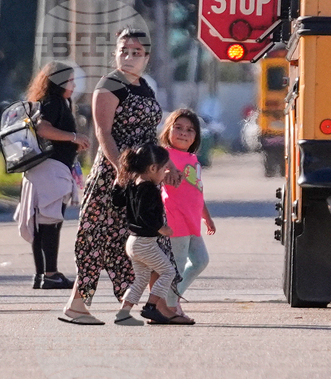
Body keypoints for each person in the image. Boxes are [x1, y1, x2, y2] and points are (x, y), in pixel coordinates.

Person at [59, 29, 165, 325]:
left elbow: (150, 133)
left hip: (144, 175)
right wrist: (122, 168)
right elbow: (102, 133)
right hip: (114, 176)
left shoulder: (145, 86)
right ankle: (77, 306)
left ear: (147, 57)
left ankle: (153, 305)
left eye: (136, 52)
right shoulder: (110, 84)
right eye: (123, 50)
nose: (128, 57)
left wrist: (160, 167)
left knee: (145, 238)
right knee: (98, 239)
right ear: (115, 53)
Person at [15, 61, 91, 289]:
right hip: (50, 171)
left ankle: (42, 275)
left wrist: (71, 141)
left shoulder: (50, 102)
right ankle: (50, 274)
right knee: (50, 223)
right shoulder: (54, 102)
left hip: (42, 170)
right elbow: (43, 129)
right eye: (70, 81)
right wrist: (73, 137)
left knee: (42, 224)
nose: (74, 85)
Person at [110, 143, 193, 325]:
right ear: (153, 168)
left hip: (133, 241)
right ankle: (151, 306)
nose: (165, 173)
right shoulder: (149, 189)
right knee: (168, 271)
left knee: (141, 280)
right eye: (164, 169)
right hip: (144, 243)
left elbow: (117, 201)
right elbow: (144, 214)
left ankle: (123, 313)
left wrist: (117, 183)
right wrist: (160, 227)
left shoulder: (133, 184)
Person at [158, 108, 215, 316]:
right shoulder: (165, 156)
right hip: (175, 221)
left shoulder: (192, 159)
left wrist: (206, 217)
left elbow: (197, 192)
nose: (183, 133)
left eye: (190, 130)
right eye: (178, 127)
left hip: (192, 222)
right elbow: (155, 176)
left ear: (196, 136)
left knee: (200, 261)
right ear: (168, 130)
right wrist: (164, 174)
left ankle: (172, 297)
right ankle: (170, 307)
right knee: (177, 266)